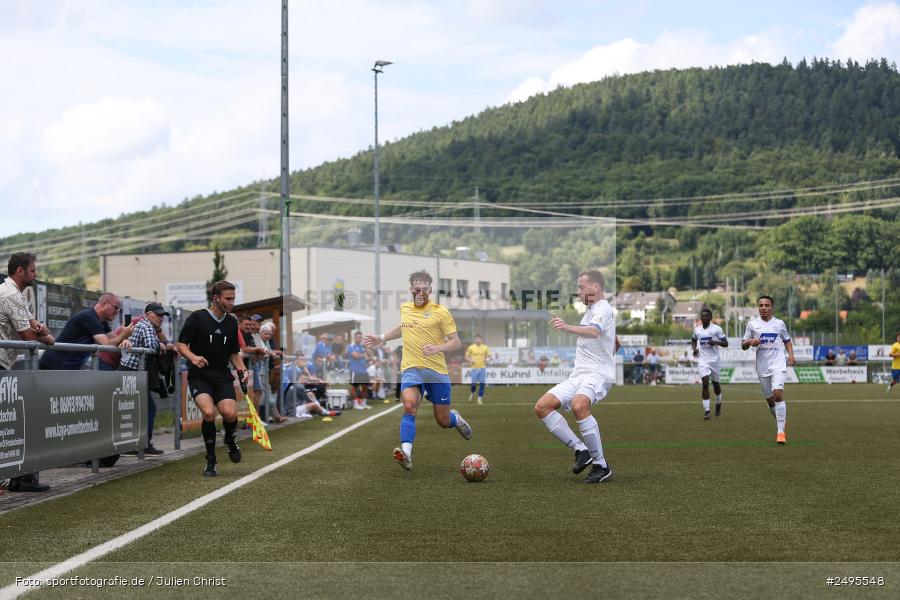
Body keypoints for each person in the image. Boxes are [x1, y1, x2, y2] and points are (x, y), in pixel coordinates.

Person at [364, 270, 470, 472]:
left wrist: (438, 348)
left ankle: (455, 419)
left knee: (442, 420)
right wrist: (381, 337)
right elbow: (403, 327)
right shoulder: (405, 308)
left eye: (425, 289)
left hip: (436, 371)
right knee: (409, 407)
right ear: (411, 289)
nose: (421, 292)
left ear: (430, 290)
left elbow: (456, 342)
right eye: (417, 288)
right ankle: (406, 454)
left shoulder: (441, 312)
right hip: (411, 369)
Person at [534, 270, 617, 484]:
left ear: (595, 287)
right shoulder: (590, 311)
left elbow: (595, 332)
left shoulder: (603, 307)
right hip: (578, 375)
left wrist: (566, 327)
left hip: (597, 374)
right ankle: (581, 450)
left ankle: (601, 465)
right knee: (542, 406)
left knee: (580, 406)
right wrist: (609, 348)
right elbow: (614, 341)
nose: (578, 292)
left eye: (581, 287)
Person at [176, 280, 250, 477]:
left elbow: (233, 352)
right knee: (209, 413)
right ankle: (211, 460)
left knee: (229, 414)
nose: (232, 302)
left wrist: (242, 370)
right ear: (216, 298)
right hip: (200, 376)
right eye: (228, 299)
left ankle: (229, 438)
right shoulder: (197, 317)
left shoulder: (232, 322)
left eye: (233, 299)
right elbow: (181, 344)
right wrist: (193, 357)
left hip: (222, 376)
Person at [0, 252, 55, 492]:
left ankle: (17, 478)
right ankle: (17, 478)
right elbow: (28, 335)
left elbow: (38, 327)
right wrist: (45, 337)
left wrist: (42, 332)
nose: (36, 274)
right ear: (19, 271)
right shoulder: (10, 294)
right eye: (33, 270)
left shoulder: (17, 294)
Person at [741, 295, 795, 445]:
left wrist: (791, 355)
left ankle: (780, 433)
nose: (763, 308)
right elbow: (743, 345)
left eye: (766, 305)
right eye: (761, 305)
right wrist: (749, 342)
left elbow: (787, 340)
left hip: (778, 364)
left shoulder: (779, 324)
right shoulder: (752, 325)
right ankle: (780, 419)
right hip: (762, 366)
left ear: (772, 307)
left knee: (778, 394)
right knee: (770, 400)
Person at [119, 302, 170, 455]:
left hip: (129, 371)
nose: (161, 318)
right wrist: (160, 345)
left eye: (162, 315)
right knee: (148, 408)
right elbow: (152, 346)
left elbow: (158, 343)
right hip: (131, 372)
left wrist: (161, 343)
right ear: (148, 314)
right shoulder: (146, 325)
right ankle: (142, 444)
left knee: (135, 409)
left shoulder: (145, 324)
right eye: (158, 314)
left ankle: (134, 444)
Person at [39, 293, 134, 371]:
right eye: (116, 308)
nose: (117, 312)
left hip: (66, 367)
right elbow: (106, 345)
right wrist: (123, 335)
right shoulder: (89, 317)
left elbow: (115, 339)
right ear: (104, 304)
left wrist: (124, 340)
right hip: (54, 364)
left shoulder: (101, 321)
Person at [691, 308, 728, 420]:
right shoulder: (697, 330)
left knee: (716, 384)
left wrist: (715, 342)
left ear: (710, 318)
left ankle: (718, 403)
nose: (705, 317)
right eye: (703, 316)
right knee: (705, 382)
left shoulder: (716, 329)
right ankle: (707, 410)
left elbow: (726, 343)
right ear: (701, 318)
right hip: (703, 360)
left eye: (707, 316)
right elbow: (693, 340)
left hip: (715, 360)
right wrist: (694, 349)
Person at [346, 331, 371, 410]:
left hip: (364, 370)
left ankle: (363, 403)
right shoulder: (351, 346)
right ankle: (356, 403)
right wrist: (364, 355)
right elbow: (355, 356)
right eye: (358, 337)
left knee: (365, 387)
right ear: (354, 338)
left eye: (361, 337)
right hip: (355, 370)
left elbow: (370, 354)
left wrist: (366, 346)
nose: (360, 339)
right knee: (354, 387)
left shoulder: (362, 346)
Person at [465, 334, 489, 404]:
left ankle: (479, 398)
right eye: (476, 339)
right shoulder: (471, 347)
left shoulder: (485, 347)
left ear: (481, 340)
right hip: (474, 368)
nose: (478, 340)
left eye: (479, 339)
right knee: (473, 384)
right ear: (475, 340)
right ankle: (472, 392)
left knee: (482, 383)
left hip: (482, 368)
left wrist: (486, 359)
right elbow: (466, 356)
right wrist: (470, 360)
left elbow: (490, 356)